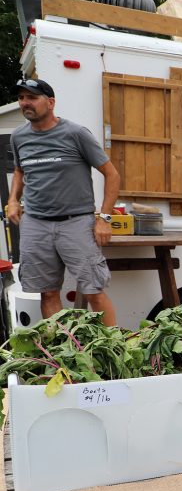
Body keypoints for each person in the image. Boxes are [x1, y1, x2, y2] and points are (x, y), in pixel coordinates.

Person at [6, 77, 120, 326]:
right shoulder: (19, 137)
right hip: (35, 224)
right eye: (21, 97)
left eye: (32, 97)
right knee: (47, 292)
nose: (25, 103)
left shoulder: (75, 134)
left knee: (93, 290)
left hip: (76, 222)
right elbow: (19, 172)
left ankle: (116, 351)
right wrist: (13, 199)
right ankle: (62, 352)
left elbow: (112, 174)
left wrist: (104, 218)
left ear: (50, 102)